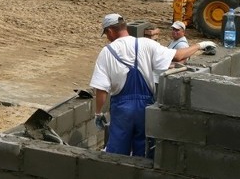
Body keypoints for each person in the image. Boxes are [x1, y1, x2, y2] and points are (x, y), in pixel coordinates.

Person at [90, 13, 216, 158]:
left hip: (122, 110)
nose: (107, 37)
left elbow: (101, 89)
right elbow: (179, 56)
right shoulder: (146, 44)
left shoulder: (106, 52)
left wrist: (98, 113)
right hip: (145, 109)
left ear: (110, 31)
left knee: (116, 155)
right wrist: (200, 45)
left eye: (106, 34)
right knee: (144, 154)